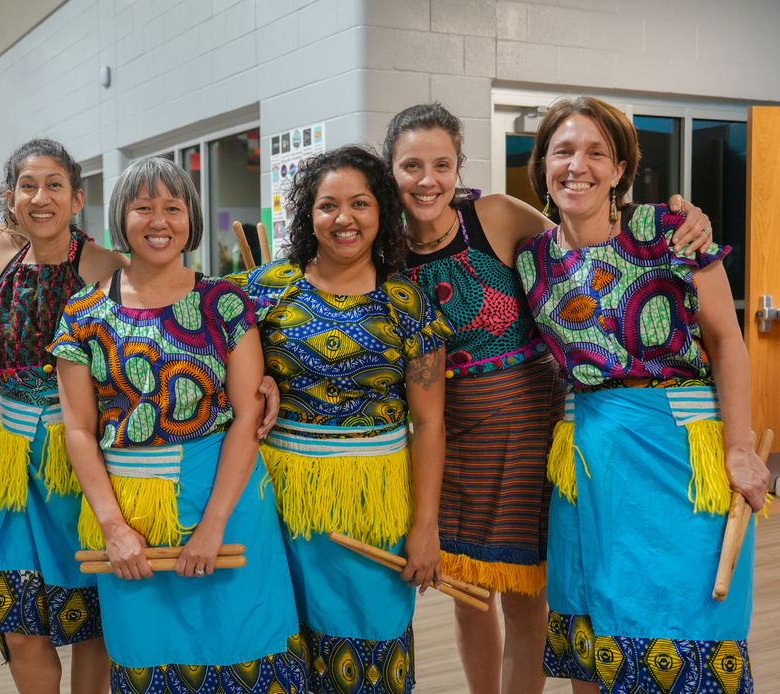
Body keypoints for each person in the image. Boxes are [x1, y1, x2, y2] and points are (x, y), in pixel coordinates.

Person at [382, 103, 716, 694]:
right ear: (391, 171)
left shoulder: (498, 216)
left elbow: (582, 243)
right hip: (452, 433)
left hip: (539, 424)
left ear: (460, 167)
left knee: (531, 598)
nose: (426, 178)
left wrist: (684, 220)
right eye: (411, 165)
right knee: (468, 596)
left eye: (441, 163)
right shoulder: (384, 256)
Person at [515, 96, 768, 694]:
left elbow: (727, 342)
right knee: (596, 635)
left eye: (596, 152)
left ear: (622, 169)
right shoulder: (532, 259)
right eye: (563, 151)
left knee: (686, 630)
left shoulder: (670, 230)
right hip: (586, 464)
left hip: (677, 455)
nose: (578, 165)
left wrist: (739, 448)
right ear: (542, 166)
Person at [50, 155, 305, 693]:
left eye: (173, 207)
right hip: (131, 515)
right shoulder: (82, 313)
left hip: (227, 502)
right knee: (148, 661)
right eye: (143, 208)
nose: (159, 221)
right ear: (121, 219)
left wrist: (213, 527)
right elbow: (79, 430)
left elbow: (245, 419)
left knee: (246, 656)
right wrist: (114, 529)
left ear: (191, 219)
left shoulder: (225, 303)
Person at [230, 145, 450, 693]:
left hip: (375, 502)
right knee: (282, 649)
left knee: (370, 644)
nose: (344, 219)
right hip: (278, 499)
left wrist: (425, 528)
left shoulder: (409, 303)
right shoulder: (265, 290)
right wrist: (263, 381)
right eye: (328, 205)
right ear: (309, 213)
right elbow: (226, 379)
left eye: (360, 204)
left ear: (382, 213)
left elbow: (428, 423)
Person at [0, 139, 125, 693]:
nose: (40, 197)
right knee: (19, 623)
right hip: (12, 462)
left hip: (86, 462)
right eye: (28, 185)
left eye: (54, 185)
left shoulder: (109, 268)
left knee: (92, 619)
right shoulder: (1, 251)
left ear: (77, 199)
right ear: (10, 197)